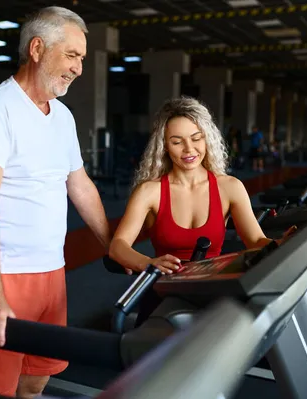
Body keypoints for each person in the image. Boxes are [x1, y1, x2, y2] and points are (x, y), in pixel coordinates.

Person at [0, 6, 111, 398]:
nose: (79, 68)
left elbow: (80, 185)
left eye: (82, 59)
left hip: (52, 272)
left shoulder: (62, 116)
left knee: (37, 377)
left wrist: (115, 246)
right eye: (72, 55)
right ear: (38, 48)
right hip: (4, 276)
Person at [108, 97, 296, 323]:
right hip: (164, 296)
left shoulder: (230, 187)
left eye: (196, 138)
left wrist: (283, 246)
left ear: (207, 139)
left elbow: (256, 240)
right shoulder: (150, 192)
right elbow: (118, 246)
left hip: (211, 293)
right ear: (164, 146)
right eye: (177, 142)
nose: (189, 149)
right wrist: (146, 263)